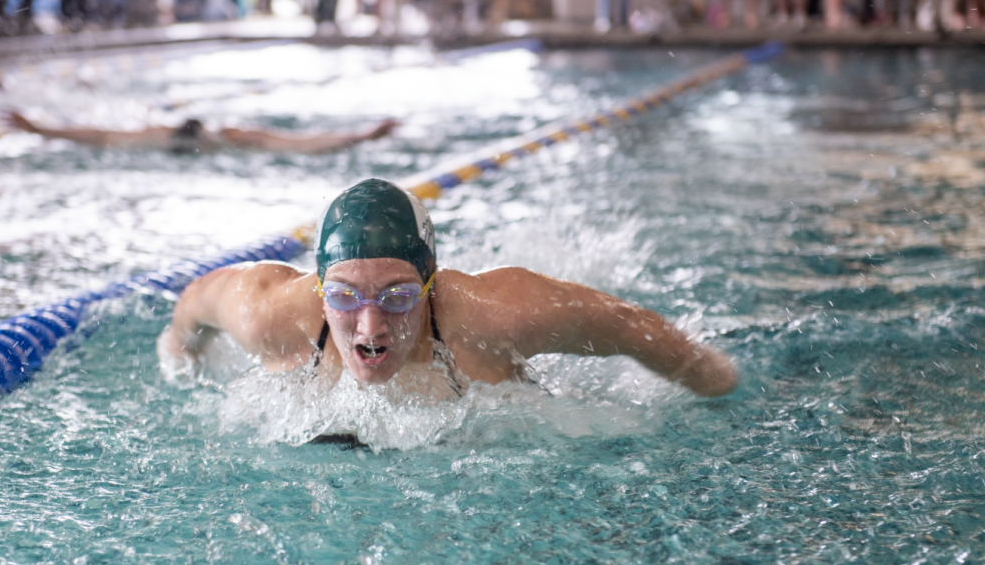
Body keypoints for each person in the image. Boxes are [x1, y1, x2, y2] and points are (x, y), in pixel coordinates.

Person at [162, 178, 739, 401]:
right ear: (317, 289)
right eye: (343, 297)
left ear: (431, 286)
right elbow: (188, 312)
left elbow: (630, 326)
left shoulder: (499, 315)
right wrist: (179, 362)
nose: (369, 327)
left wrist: (718, 386)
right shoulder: (267, 311)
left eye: (396, 296)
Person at [3, 111, 399, 154]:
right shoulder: (232, 138)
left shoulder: (234, 137)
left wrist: (364, 136)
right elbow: (100, 136)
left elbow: (304, 144)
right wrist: (41, 128)